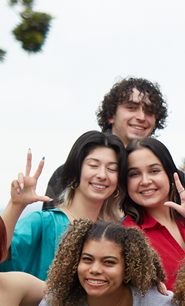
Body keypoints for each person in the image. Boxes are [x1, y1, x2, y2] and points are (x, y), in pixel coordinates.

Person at [0, 132, 128, 306]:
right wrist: (15, 205)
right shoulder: (45, 223)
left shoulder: (120, 235)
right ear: (75, 172)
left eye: (112, 168)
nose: (101, 175)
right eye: (93, 165)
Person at [25, 219, 180, 306]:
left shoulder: (150, 301)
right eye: (87, 259)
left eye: (108, 262)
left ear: (127, 269)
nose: (95, 269)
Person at [42, 78, 168, 210]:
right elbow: (50, 225)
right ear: (111, 115)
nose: (141, 117)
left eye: (149, 111)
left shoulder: (169, 176)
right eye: (131, 108)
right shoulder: (74, 171)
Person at [122, 137, 185, 290]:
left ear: (169, 173)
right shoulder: (126, 234)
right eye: (134, 174)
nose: (145, 181)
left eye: (154, 171)